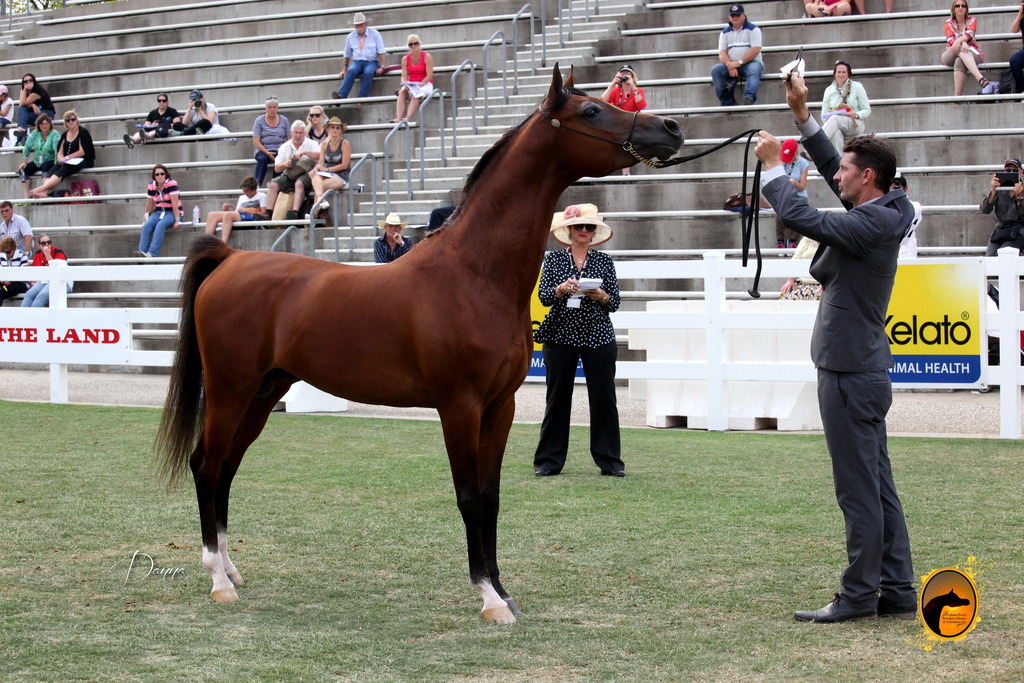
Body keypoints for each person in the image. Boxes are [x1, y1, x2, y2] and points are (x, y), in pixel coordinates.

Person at [754, 73, 917, 623]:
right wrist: (804, 118)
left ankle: (858, 596)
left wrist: (776, 165)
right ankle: (894, 588)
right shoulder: (883, 209)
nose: (834, 176)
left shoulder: (869, 222)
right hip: (861, 368)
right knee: (876, 485)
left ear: (867, 177)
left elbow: (799, 214)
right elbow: (834, 172)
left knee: (858, 491)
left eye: (846, 171)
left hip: (849, 371)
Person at [533, 203, 624, 478]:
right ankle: (549, 461)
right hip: (560, 334)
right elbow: (544, 297)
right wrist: (561, 289)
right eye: (578, 226)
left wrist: (601, 295)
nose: (584, 231)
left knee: (604, 399)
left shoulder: (604, 262)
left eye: (589, 227)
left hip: (598, 334)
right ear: (569, 230)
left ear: (594, 231)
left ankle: (610, 462)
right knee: (557, 398)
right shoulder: (553, 260)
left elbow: (615, 302)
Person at [29, 110, 95, 199]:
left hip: (83, 160)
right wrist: (60, 158)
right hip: (68, 161)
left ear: (76, 120)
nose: (71, 122)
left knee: (64, 169)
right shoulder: (65, 135)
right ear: (65, 123)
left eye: (73, 119)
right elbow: (59, 151)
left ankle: (40, 189)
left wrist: (66, 158)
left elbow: (82, 152)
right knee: (53, 169)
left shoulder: (83, 132)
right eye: (68, 120)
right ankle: (45, 192)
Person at [264, 120, 320, 221]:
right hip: (289, 174)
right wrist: (284, 164)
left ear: (304, 133)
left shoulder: (312, 144)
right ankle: (268, 214)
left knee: (299, 183)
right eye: (296, 132)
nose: (298, 135)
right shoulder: (285, 146)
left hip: (307, 174)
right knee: (273, 184)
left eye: (301, 133)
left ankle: (295, 211)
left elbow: (320, 156)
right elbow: (277, 167)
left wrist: (305, 153)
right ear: (291, 132)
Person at [711, 4, 764, 107]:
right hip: (732, 64)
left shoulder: (754, 29)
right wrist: (729, 65)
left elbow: (756, 49)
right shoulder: (724, 32)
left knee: (755, 68)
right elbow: (722, 53)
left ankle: (748, 98)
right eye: (733, 15)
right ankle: (727, 103)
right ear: (729, 17)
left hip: (750, 63)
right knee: (716, 70)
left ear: (744, 15)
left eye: (738, 15)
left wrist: (739, 63)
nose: (735, 17)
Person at [333, 12, 388, 100]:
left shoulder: (375, 34)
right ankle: (341, 95)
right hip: (357, 61)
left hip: (371, 61)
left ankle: (362, 98)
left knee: (368, 72)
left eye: (361, 24)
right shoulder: (350, 37)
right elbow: (347, 54)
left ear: (366, 24)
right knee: (351, 71)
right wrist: (345, 70)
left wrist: (382, 66)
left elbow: (381, 51)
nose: (359, 27)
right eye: (357, 25)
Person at [820, 61, 871, 153]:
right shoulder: (829, 90)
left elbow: (867, 110)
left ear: (848, 74)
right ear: (834, 74)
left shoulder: (857, 87)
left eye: (844, 72)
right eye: (838, 72)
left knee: (835, 118)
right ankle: (839, 164)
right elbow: (824, 115)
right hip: (835, 124)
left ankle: (816, 146)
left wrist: (855, 114)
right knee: (835, 133)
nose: (841, 74)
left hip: (855, 124)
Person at [941, 1, 989, 97]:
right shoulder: (948, 23)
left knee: (960, 61)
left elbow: (969, 35)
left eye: (963, 6)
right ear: (953, 9)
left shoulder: (972, 20)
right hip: (951, 52)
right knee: (960, 48)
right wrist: (962, 42)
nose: (960, 8)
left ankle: (957, 99)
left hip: (972, 52)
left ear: (966, 8)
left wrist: (961, 42)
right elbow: (951, 40)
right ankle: (979, 78)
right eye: (957, 6)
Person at [135, 164, 181, 258]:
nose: (160, 176)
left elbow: (175, 204)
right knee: (147, 226)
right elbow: (150, 204)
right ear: (154, 176)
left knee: (160, 225)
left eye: (162, 174)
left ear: (166, 174)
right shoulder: (152, 185)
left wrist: (177, 220)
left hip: (171, 212)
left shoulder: (171, 184)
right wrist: (145, 220)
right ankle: (141, 252)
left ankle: (152, 254)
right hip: (159, 212)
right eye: (157, 174)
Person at [205, 176, 267, 244]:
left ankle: (223, 243)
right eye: (244, 191)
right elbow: (236, 213)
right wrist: (227, 209)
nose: (245, 193)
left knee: (228, 215)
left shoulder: (262, 196)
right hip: (240, 215)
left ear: (253, 190)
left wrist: (246, 210)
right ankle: (207, 243)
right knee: (211, 215)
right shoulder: (242, 197)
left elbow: (263, 213)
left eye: (247, 191)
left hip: (251, 216)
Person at [982, 157, 1024, 255]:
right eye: (1008, 170)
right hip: (1000, 231)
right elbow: (985, 209)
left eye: (1015, 170)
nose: (1011, 172)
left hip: (1019, 232)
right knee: (989, 259)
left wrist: (1019, 199)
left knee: (1003, 255)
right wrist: (993, 192)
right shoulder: (999, 189)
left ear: (1021, 172)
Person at [20, 234, 72, 307]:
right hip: (44, 281)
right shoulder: (38, 254)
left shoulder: (58, 252)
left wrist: (47, 254)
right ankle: (22, 317)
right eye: (44, 243)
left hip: (62, 282)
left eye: (49, 242)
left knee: (41, 296)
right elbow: (34, 272)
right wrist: (33, 281)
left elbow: (56, 270)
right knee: (29, 295)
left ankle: (35, 317)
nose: (47, 244)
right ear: (39, 245)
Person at [310, 117, 352, 207]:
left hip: (341, 174)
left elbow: (344, 165)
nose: (335, 130)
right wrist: (315, 168)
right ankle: (321, 201)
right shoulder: (324, 144)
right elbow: (320, 162)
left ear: (341, 130)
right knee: (315, 177)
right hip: (328, 173)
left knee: (321, 186)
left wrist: (328, 169)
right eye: (332, 127)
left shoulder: (345, 144)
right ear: (328, 129)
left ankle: (314, 211)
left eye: (337, 128)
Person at [393, 34, 434, 123]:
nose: (413, 46)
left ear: (419, 44)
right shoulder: (405, 59)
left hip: (425, 83)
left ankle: (407, 118)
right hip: (412, 83)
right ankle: (398, 117)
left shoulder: (427, 57)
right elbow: (404, 75)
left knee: (417, 93)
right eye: (411, 44)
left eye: (415, 43)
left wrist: (419, 84)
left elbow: (429, 75)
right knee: (402, 92)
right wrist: (405, 84)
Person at [18, 113, 59, 199]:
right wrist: (24, 162)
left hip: (50, 159)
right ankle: (27, 196)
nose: (44, 126)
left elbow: (56, 150)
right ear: (38, 125)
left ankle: (44, 193)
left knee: (46, 168)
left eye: (46, 124)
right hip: (37, 161)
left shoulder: (55, 134)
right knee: (23, 170)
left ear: (50, 124)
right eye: (42, 124)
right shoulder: (35, 133)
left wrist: (56, 164)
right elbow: (27, 147)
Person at [252, 96, 289, 186]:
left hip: (280, 149)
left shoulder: (284, 120)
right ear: (266, 109)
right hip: (263, 149)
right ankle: (257, 184)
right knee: (262, 159)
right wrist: (267, 152)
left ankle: (276, 184)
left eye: (274, 107)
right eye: (269, 107)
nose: (272, 110)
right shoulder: (259, 121)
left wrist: (284, 151)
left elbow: (289, 138)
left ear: (277, 108)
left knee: (280, 160)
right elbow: (256, 141)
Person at [776, 149, 810, 248]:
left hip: (798, 194)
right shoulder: (780, 162)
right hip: (783, 194)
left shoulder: (803, 164)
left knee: (799, 209)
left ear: (796, 153)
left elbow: (802, 187)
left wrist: (795, 183)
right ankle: (780, 240)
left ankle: (792, 240)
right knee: (779, 208)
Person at [14, 73, 55, 142]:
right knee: (23, 113)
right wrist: (32, 105)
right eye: (25, 81)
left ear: (34, 81)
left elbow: (22, 103)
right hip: (35, 114)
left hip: (46, 113)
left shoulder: (37, 91)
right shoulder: (24, 91)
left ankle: (21, 135)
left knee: (23, 115)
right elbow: (22, 105)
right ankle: (21, 134)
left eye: (30, 80)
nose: (28, 83)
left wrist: (24, 90)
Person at [779, 236, 822, 300]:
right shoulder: (807, 239)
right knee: (786, 295)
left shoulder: (832, 240)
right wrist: (790, 280)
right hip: (802, 282)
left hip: (820, 284)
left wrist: (825, 283)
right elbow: (795, 259)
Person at [892, 175, 922, 258]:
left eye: (897, 189)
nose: (894, 192)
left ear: (905, 189)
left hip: (907, 254)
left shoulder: (915, 206)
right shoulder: (882, 206)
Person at [0, 236, 30, 305]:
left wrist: (7, 278)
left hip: (20, 284)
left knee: (2, 292)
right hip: (5, 285)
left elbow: (24, 275)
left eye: (8, 252)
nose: (6, 254)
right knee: (3, 290)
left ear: (14, 249)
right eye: (4, 252)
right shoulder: (1, 257)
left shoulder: (22, 256)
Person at [1010, 2, 1024, 94]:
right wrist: (1020, 14)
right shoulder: (1022, 16)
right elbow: (1014, 30)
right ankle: (1023, 89)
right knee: (1014, 60)